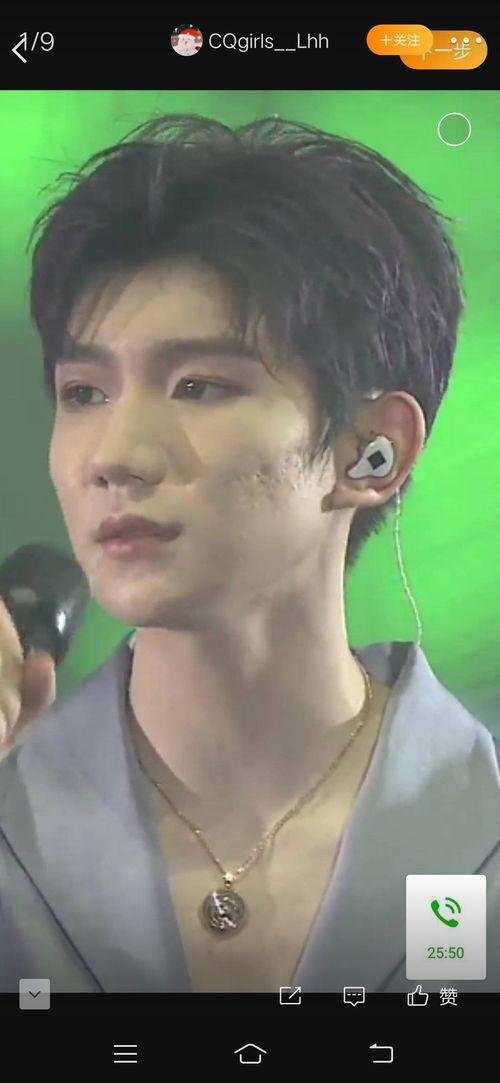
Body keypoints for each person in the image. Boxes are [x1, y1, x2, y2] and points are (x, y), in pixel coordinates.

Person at [0, 114, 499, 993]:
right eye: (83, 392)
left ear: (371, 450)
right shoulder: (15, 808)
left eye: (199, 385)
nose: (113, 455)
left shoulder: (479, 815)